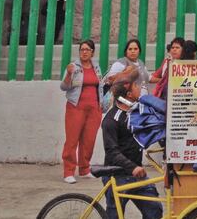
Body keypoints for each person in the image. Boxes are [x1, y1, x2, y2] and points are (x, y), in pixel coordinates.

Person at [101, 75, 163, 219]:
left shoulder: (136, 113)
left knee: (154, 210)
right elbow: (112, 152)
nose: (140, 89)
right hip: (117, 176)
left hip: (137, 174)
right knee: (115, 215)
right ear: (128, 95)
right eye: (136, 87)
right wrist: (132, 167)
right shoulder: (111, 120)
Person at [60, 39, 103, 183]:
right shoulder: (73, 66)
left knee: (89, 140)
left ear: (92, 52)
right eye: (82, 50)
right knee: (72, 139)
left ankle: (84, 169)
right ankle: (68, 171)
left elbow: (100, 86)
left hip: (94, 108)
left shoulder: (96, 66)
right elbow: (63, 87)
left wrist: (101, 104)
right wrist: (68, 74)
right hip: (76, 107)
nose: (84, 52)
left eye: (87, 50)